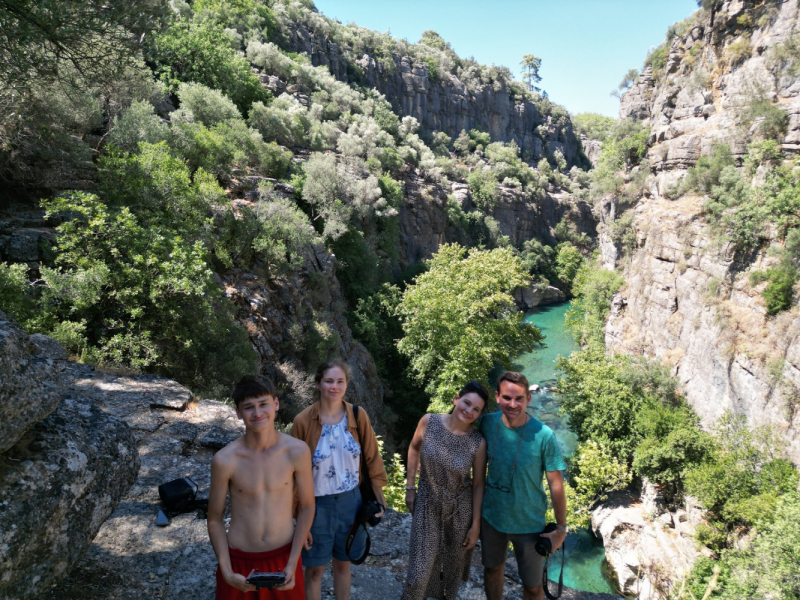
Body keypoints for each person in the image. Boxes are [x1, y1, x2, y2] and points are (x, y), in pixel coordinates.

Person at [208, 374, 315, 600]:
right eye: (248, 407)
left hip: (284, 557)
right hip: (239, 560)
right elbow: (214, 519)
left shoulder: (297, 451)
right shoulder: (225, 460)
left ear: (275, 404)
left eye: (263, 404)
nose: (257, 413)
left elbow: (306, 507)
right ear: (238, 413)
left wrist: (294, 561)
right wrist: (226, 570)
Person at [291, 359, 388, 600]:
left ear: (346, 384)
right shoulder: (303, 421)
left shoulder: (357, 415)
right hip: (316, 506)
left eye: (340, 381)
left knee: (343, 565)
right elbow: (292, 473)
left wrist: (380, 500)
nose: (334, 386)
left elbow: (372, 458)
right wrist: (297, 517)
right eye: (329, 381)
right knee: (314, 571)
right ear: (318, 383)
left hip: (351, 503)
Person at [480, 371, 568, 600]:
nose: (513, 404)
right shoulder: (487, 424)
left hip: (530, 524)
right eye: (507, 398)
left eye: (519, 398)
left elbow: (556, 484)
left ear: (528, 399)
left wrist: (561, 529)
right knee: (492, 569)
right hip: (491, 518)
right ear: (497, 397)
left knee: (532, 587)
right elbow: (459, 432)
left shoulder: (544, 435)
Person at [401, 380, 488, 600]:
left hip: (459, 513)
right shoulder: (429, 421)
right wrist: (410, 487)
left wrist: (475, 526)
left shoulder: (477, 442)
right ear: (456, 399)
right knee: (418, 575)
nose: (469, 411)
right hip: (427, 503)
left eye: (476, 409)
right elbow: (413, 447)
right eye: (466, 403)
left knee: (450, 577)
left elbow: (478, 484)